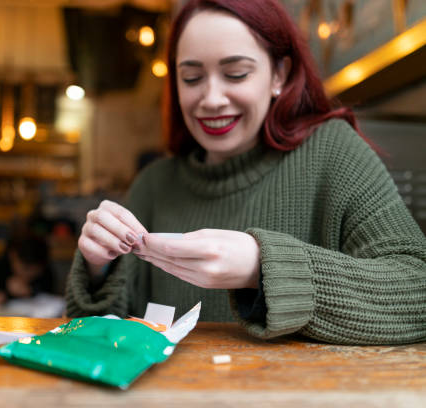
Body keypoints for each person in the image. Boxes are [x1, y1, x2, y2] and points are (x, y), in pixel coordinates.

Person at [65, 0, 426, 345]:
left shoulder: (332, 152)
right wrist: (99, 268)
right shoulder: (153, 186)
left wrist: (262, 267)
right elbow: (97, 340)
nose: (211, 98)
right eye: (191, 78)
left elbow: (417, 292)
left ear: (279, 76)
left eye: (235, 74)